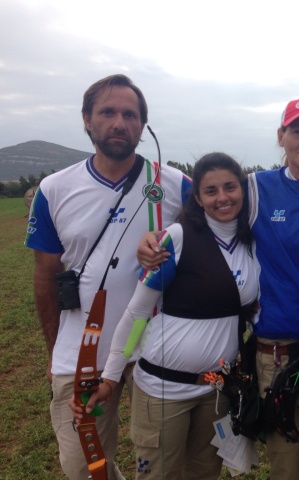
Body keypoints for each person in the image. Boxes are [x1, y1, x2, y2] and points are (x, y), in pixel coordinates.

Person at [138, 98, 299, 480]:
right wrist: (153, 239)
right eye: (297, 131)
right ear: (282, 136)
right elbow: (208, 208)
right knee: (285, 459)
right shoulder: (257, 188)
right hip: (276, 353)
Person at [25, 74, 190, 480]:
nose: (120, 122)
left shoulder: (173, 184)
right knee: (83, 466)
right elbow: (46, 277)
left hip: (154, 349)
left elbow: (214, 243)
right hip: (82, 352)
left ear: (143, 125)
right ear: (87, 120)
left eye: (130, 114)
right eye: (108, 112)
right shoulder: (54, 189)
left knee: (162, 461)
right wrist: (53, 350)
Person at [72, 152, 259, 479]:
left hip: (214, 390)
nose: (223, 198)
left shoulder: (253, 243)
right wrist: (111, 377)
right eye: (211, 191)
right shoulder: (178, 237)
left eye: (230, 187)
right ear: (197, 198)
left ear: (243, 190)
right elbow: (137, 315)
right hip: (162, 390)